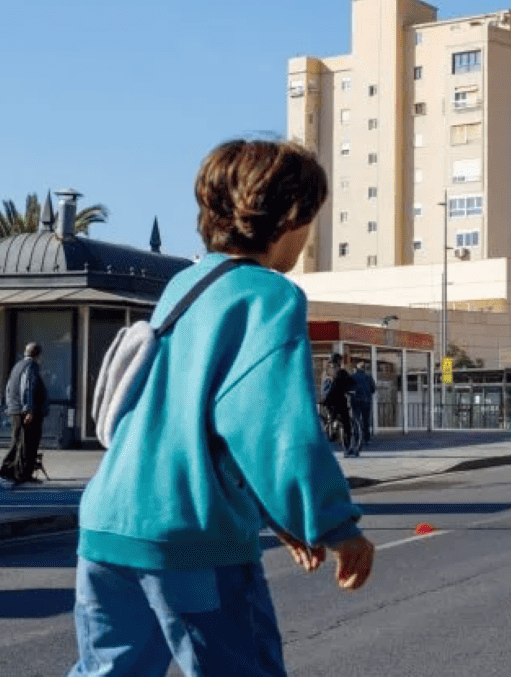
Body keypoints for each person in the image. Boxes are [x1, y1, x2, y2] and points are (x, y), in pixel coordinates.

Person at [67, 138, 374, 677]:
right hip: (191, 535)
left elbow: (191, 420)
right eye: (310, 220)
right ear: (290, 217)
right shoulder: (269, 296)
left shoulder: (185, 285)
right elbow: (273, 429)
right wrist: (334, 524)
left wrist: (277, 518)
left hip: (108, 522)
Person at [0, 342, 48, 485]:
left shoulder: (17, 366)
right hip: (25, 411)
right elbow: (27, 387)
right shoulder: (31, 366)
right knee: (28, 443)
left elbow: (9, 387)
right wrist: (28, 410)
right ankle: (21, 474)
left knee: (18, 441)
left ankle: (9, 470)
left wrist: (10, 406)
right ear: (37, 354)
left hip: (15, 410)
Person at [321, 351, 356, 456]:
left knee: (332, 419)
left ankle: (331, 432)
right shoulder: (341, 372)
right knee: (346, 424)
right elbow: (351, 383)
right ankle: (347, 449)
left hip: (328, 401)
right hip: (339, 401)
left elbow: (324, 387)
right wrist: (349, 391)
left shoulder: (326, 372)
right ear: (339, 361)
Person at [348, 363, 376, 453]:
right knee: (366, 420)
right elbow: (373, 389)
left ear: (356, 368)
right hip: (366, 401)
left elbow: (348, 388)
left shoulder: (352, 376)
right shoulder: (369, 377)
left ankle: (356, 437)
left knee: (356, 420)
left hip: (355, 401)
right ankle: (366, 439)